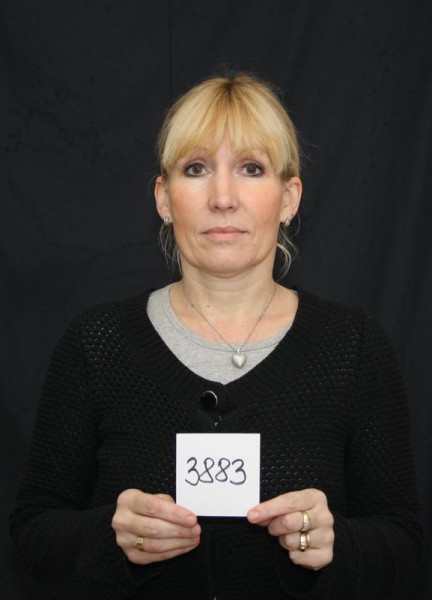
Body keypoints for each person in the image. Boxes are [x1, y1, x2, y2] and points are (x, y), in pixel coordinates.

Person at [11, 73, 422, 600]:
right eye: (196, 169)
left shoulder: (354, 347)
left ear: (289, 197)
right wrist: (109, 536)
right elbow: (33, 534)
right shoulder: (97, 344)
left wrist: (335, 543)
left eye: (251, 168)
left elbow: (403, 541)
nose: (223, 197)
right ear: (164, 197)